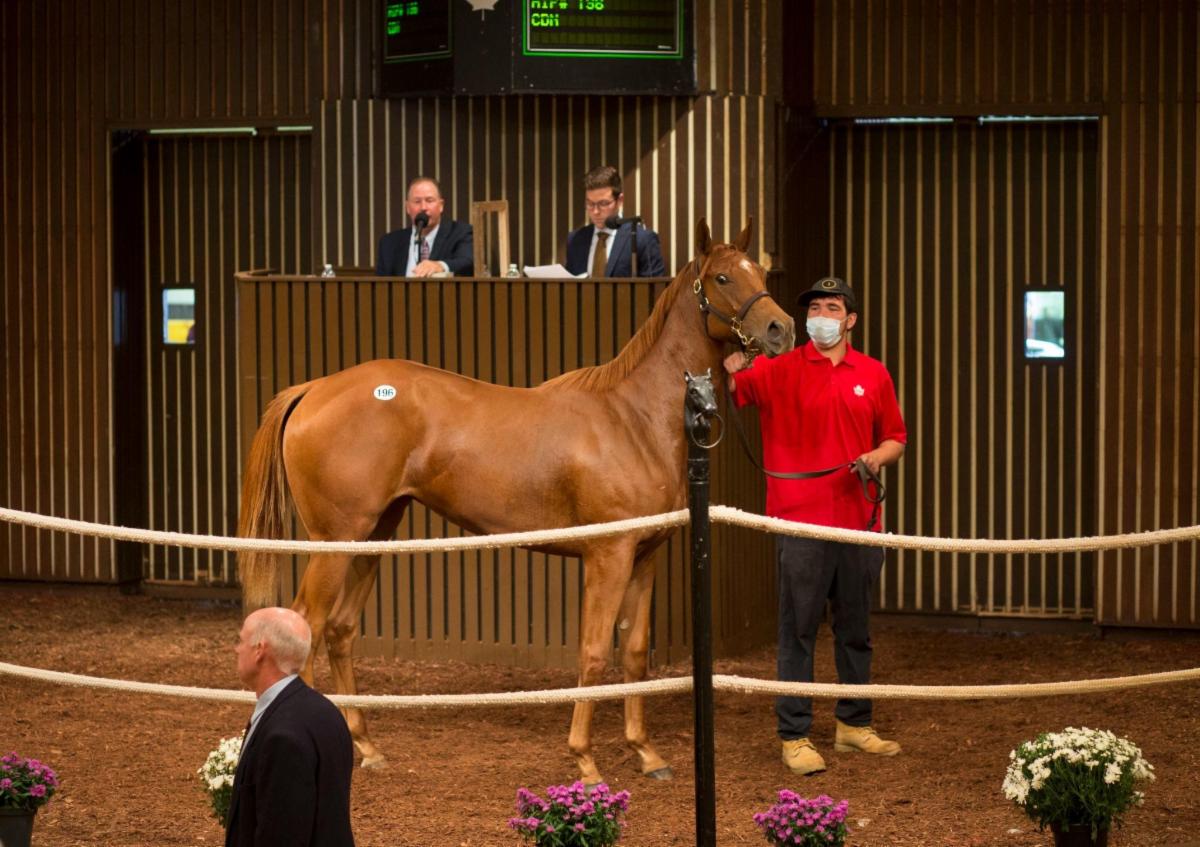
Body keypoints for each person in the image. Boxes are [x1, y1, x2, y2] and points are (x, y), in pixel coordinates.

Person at [723, 276, 907, 777]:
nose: (820, 316)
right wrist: (733, 368)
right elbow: (733, 388)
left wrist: (874, 458)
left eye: (831, 307)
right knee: (797, 632)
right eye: (815, 308)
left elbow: (895, 436)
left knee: (856, 632)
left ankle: (853, 724)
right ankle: (795, 734)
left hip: (859, 524)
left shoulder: (873, 374)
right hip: (801, 522)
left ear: (849, 320)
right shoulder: (778, 371)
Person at [226, 607, 355, 847]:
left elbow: (281, 835)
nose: (236, 649)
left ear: (259, 651)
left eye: (241, 640)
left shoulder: (282, 737)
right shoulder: (328, 713)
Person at [564, 165, 665, 277]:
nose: (596, 211)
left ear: (620, 201)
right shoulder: (575, 240)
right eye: (590, 204)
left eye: (603, 204)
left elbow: (655, 290)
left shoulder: (642, 239)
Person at [375, 176, 474, 277]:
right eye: (417, 201)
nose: (423, 207)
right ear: (407, 207)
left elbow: (467, 261)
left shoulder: (461, 233)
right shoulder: (389, 242)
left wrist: (440, 265)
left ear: (441, 205)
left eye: (429, 200)